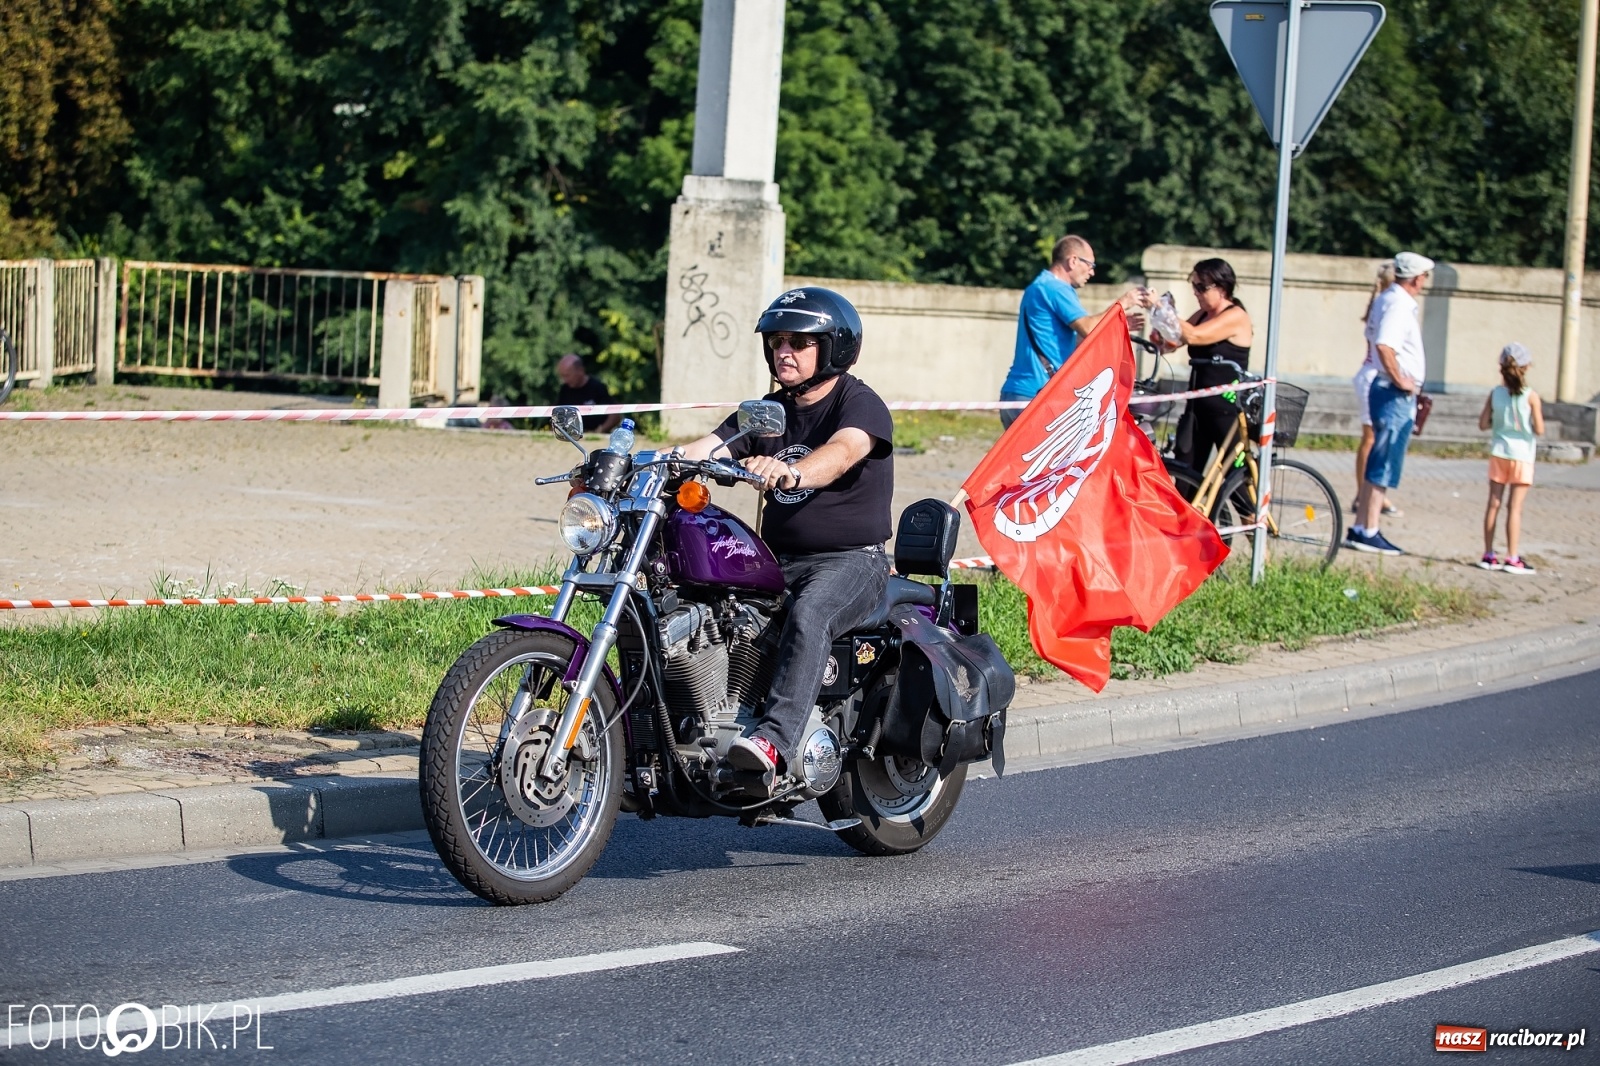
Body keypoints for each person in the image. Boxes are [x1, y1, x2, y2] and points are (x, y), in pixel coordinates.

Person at [678, 287, 894, 783]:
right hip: (776, 560)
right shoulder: (766, 411)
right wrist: (642, 463)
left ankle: (774, 741)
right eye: (776, 341)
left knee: (811, 613)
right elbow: (709, 446)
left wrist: (793, 472)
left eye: (799, 341)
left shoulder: (859, 403)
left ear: (834, 347)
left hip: (851, 561)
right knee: (698, 604)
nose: (784, 351)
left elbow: (842, 452)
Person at [998, 234, 1148, 429]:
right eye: (1090, 265)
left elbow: (1076, 341)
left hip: (1016, 393)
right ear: (1073, 261)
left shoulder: (1038, 286)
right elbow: (1087, 328)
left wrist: (1114, 326)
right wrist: (1123, 303)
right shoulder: (1057, 288)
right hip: (1038, 394)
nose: (1092, 272)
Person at [1348, 251, 1434, 555]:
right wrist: (1401, 379)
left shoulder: (1387, 299)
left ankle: (1362, 525)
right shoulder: (1399, 304)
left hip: (1385, 387)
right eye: (1424, 277)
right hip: (1392, 391)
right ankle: (1370, 529)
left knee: (1378, 456)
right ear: (1417, 279)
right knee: (1384, 461)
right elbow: (1386, 346)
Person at [1153, 258, 1254, 473]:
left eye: (1201, 287)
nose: (1196, 293)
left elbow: (1194, 336)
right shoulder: (1202, 315)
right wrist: (1160, 335)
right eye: (1194, 286)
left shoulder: (1236, 316)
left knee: (1236, 476)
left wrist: (1163, 309)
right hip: (1197, 407)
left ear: (1222, 288)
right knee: (1184, 473)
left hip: (1225, 409)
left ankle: (1252, 496)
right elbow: (1175, 340)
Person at [1476, 343, 1544, 575]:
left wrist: (1499, 423)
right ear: (1525, 368)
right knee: (1514, 508)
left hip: (1499, 452)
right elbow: (1540, 429)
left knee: (1493, 504)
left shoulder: (1495, 393)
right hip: (1522, 456)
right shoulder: (1531, 396)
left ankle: (1488, 554)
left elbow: (1483, 424)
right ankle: (1512, 557)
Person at [1354, 260, 1400, 516]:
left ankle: (1368, 493)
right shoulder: (1386, 306)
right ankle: (1365, 494)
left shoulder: (1380, 304)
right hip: (1373, 374)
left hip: (1370, 372)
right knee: (1372, 438)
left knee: (1373, 438)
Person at [555, 354, 622, 434]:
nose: (565, 380)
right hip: (572, 435)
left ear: (580, 370)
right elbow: (557, 415)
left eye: (567, 375)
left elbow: (615, 414)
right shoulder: (565, 390)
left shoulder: (598, 387)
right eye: (562, 376)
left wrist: (599, 431)